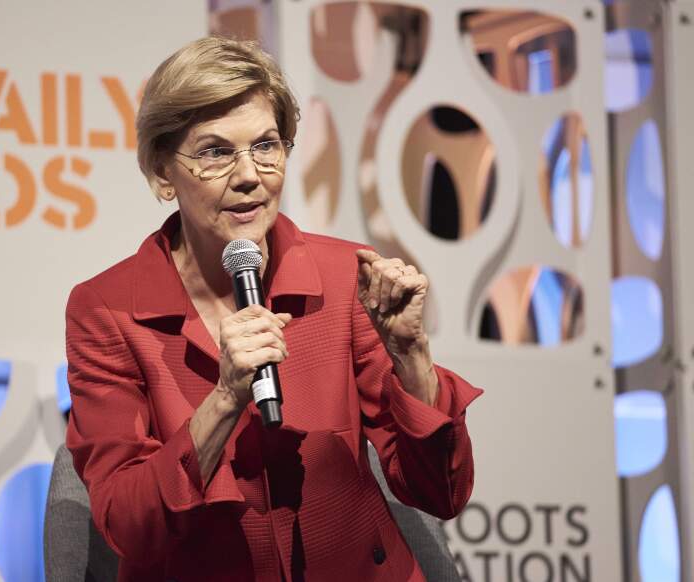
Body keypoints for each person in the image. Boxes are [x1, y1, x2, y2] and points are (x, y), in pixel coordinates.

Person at [65, 36, 482, 582]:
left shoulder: (341, 279)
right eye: (215, 152)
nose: (249, 176)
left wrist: (412, 357)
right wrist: (224, 399)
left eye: (266, 145)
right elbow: (129, 525)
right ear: (164, 172)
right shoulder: (108, 311)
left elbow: (440, 492)